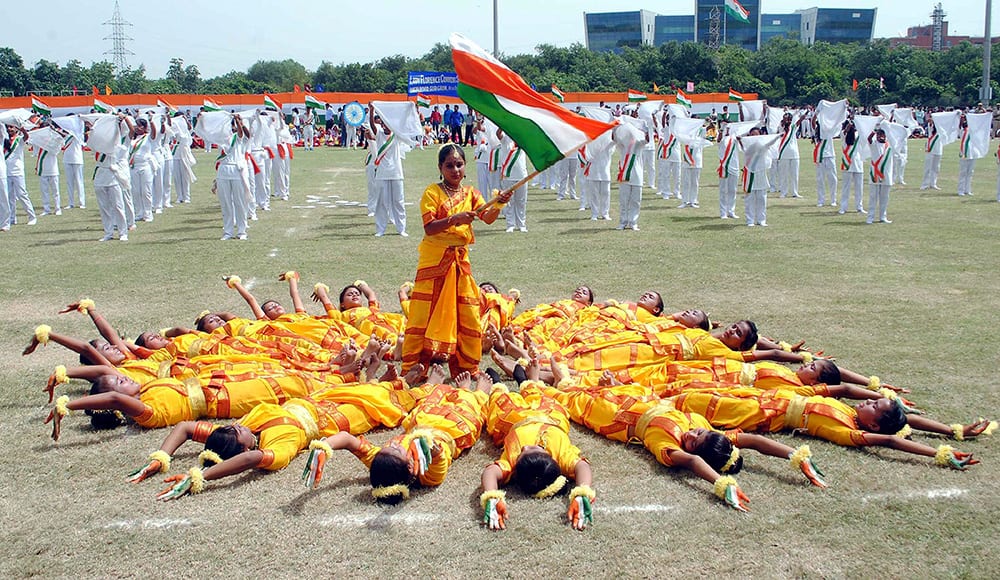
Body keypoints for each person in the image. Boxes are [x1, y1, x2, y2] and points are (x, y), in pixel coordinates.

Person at [127, 377, 423, 500]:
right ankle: (426, 387)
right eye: (235, 432)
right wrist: (201, 475)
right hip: (337, 417)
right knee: (387, 401)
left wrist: (161, 457)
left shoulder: (242, 428)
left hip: (317, 397)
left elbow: (185, 427)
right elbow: (251, 460)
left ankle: (405, 377)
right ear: (242, 446)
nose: (235, 425)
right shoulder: (274, 449)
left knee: (374, 385)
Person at [303, 366, 490, 504]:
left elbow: (348, 440)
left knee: (431, 398)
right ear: (410, 467)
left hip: (421, 420)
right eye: (396, 450)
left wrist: (323, 447)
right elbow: (437, 453)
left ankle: (433, 386)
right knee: (468, 403)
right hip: (454, 427)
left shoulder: (383, 459)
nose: (392, 445)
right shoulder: (429, 476)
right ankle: (475, 392)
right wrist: (424, 443)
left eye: (386, 447)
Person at [400, 144, 508, 377]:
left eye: (459, 164)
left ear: (465, 167)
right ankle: (414, 367)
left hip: (460, 262)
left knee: (466, 312)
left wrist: (499, 203)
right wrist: (454, 219)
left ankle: (467, 366)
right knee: (423, 313)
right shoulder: (432, 192)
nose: (455, 170)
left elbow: (487, 217)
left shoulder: (471, 194)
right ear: (440, 168)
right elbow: (429, 228)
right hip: (434, 261)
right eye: (449, 165)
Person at [479, 368, 594, 531]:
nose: (526, 446)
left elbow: (490, 472)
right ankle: (525, 382)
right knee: (539, 396)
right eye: (535, 449)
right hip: (550, 415)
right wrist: (583, 492)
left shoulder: (512, 464)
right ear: (550, 458)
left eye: (522, 452)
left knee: (501, 402)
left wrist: (491, 496)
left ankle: (497, 385)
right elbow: (582, 466)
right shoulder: (562, 457)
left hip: (513, 420)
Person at [369, 106, 407, 237]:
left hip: (396, 172)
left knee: (398, 201)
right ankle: (380, 229)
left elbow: (405, 123)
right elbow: (372, 125)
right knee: (382, 202)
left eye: (388, 124)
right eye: (383, 124)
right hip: (382, 173)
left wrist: (413, 109)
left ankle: (401, 229)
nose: (385, 126)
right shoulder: (379, 133)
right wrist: (372, 110)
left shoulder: (396, 136)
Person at [215, 115, 251, 240]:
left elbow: (243, 133)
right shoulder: (221, 138)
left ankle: (242, 231)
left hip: (236, 170)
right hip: (223, 170)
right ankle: (228, 231)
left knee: (239, 202)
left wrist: (238, 121)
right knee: (225, 204)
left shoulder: (238, 137)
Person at [4, 123, 36, 227]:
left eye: (11, 127)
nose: (9, 129)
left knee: (22, 195)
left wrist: (23, 129)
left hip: (17, 171)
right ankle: (12, 218)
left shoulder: (19, 139)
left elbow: (26, 137)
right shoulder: (4, 140)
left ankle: (32, 217)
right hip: (6, 172)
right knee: (9, 197)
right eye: (8, 127)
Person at [867, 127, 893, 224]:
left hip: (886, 174)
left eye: (882, 135)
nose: (880, 137)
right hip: (875, 174)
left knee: (884, 198)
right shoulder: (874, 144)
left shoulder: (889, 145)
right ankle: (870, 217)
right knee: (873, 197)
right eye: (878, 135)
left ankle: (883, 216)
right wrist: (874, 130)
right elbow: (869, 139)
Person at [838, 120, 865, 214]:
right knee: (846, 187)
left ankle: (859, 207)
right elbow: (845, 131)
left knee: (859, 187)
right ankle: (843, 207)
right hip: (847, 163)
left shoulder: (858, 134)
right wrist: (849, 125)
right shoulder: (843, 134)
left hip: (858, 163)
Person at [776, 112, 802, 199]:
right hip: (784, 153)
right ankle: (784, 192)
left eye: (787, 118)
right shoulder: (781, 127)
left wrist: (805, 114)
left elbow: (799, 121)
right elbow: (782, 126)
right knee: (784, 174)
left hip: (794, 154)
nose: (785, 119)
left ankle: (795, 192)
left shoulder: (793, 127)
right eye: (784, 118)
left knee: (795, 174)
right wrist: (785, 120)